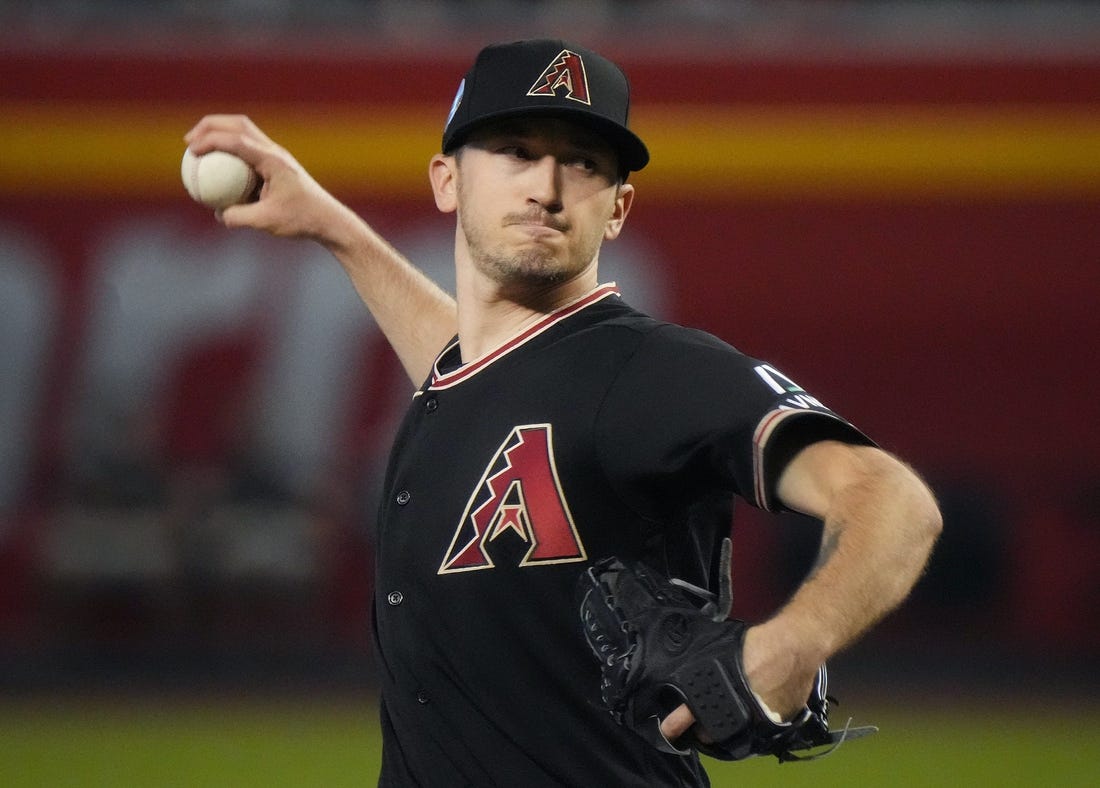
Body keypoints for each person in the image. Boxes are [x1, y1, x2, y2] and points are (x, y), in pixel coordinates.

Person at [185, 38, 941, 787]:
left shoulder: (650, 371)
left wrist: (796, 641)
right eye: (515, 150)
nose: (548, 186)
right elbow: (482, 372)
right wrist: (332, 228)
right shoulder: (472, 382)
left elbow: (894, 501)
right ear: (447, 183)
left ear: (619, 209)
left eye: (584, 163)